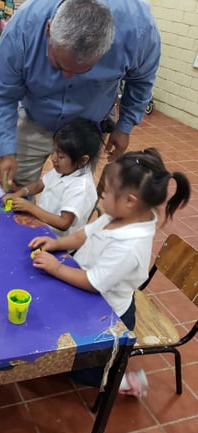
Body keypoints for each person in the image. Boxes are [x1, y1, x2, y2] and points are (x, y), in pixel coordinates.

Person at [28, 147, 190, 395]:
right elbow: (84, 234)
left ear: (130, 200)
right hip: (89, 292)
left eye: (107, 190)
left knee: (78, 365)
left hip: (108, 312)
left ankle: (125, 382)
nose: (101, 193)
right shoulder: (119, 216)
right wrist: (57, 244)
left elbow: (93, 282)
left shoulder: (129, 245)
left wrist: (57, 267)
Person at [0, 0, 161, 190]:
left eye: (83, 71)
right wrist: (7, 151)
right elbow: (3, 96)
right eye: (59, 66)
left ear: (106, 49)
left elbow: (141, 81)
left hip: (88, 128)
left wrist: (125, 127)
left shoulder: (138, 33)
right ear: (49, 29)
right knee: (16, 189)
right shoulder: (22, 32)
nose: (67, 76)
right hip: (35, 117)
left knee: (74, 196)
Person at [2, 117, 114, 237]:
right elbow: (40, 184)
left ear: (83, 160)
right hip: (42, 227)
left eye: (60, 156)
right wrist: (20, 193)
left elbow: (64, 222)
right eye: (54, 151)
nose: (53, 158)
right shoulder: (65, 169)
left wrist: (30, 207)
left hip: (57, 242)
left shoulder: (81, 188)